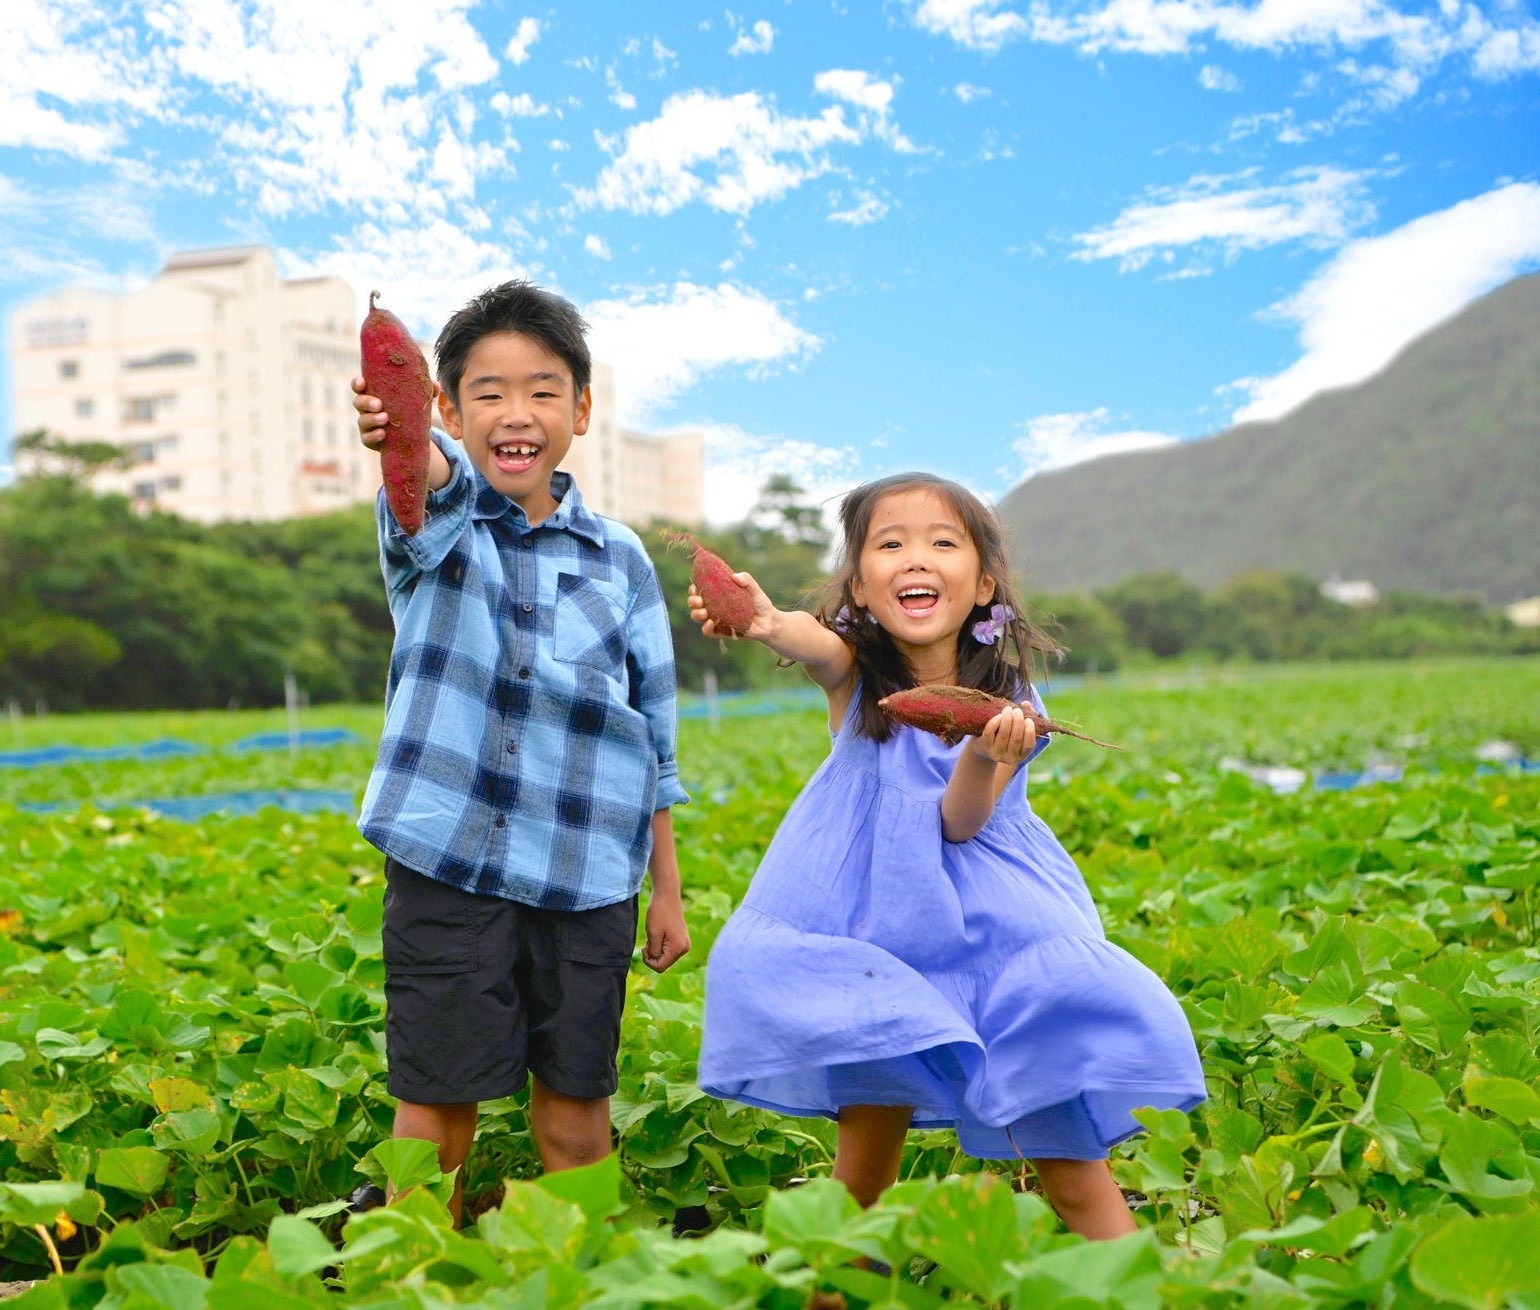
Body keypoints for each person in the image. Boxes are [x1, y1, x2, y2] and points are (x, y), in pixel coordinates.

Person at [688, 472, 1205, 1239]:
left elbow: (962, 824)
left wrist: (983, 756)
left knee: (1065, 1158)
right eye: (889, 545)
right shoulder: (856, 673)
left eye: (941, 543)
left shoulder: (1016, 700)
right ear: (860, 587)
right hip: (880, 938)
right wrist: (765, 621)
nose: (915, 558)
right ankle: (832, 1295)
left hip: (997, 928)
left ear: (984, 582)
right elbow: (810, 641)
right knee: (863, 1165)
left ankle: (1138, 1286)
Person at [351, 281, 692, 1222]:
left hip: (587, 872)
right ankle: (412, 1269)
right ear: (453, 412)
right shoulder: (428, 519)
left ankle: (576, 1274)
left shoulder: (621, 558)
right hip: (449, 856)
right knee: (435, 1106)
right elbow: (430, 476)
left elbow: (652, 733)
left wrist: (665, 886)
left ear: (581, 410)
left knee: (577, 1111)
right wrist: (401, 427)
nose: (517, 414)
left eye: (543, 390)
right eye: (488, 393)